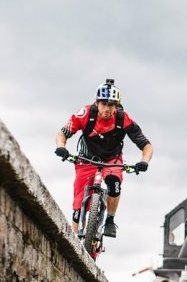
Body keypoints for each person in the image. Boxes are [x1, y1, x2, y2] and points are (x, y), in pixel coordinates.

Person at [54, 79, 153, 238]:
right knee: (78, 207)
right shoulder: (86, 114)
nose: (107, 109)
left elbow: (146, 145)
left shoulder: (123, 119)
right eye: (104, 104)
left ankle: (110, 220)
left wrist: (144, 162)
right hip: (86, 160)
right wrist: (61, 147)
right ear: (96, 103)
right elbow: (62, 133)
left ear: (116, 105)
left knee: (114, 184)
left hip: (112, 160)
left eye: (112, 105)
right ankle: (75, 238)